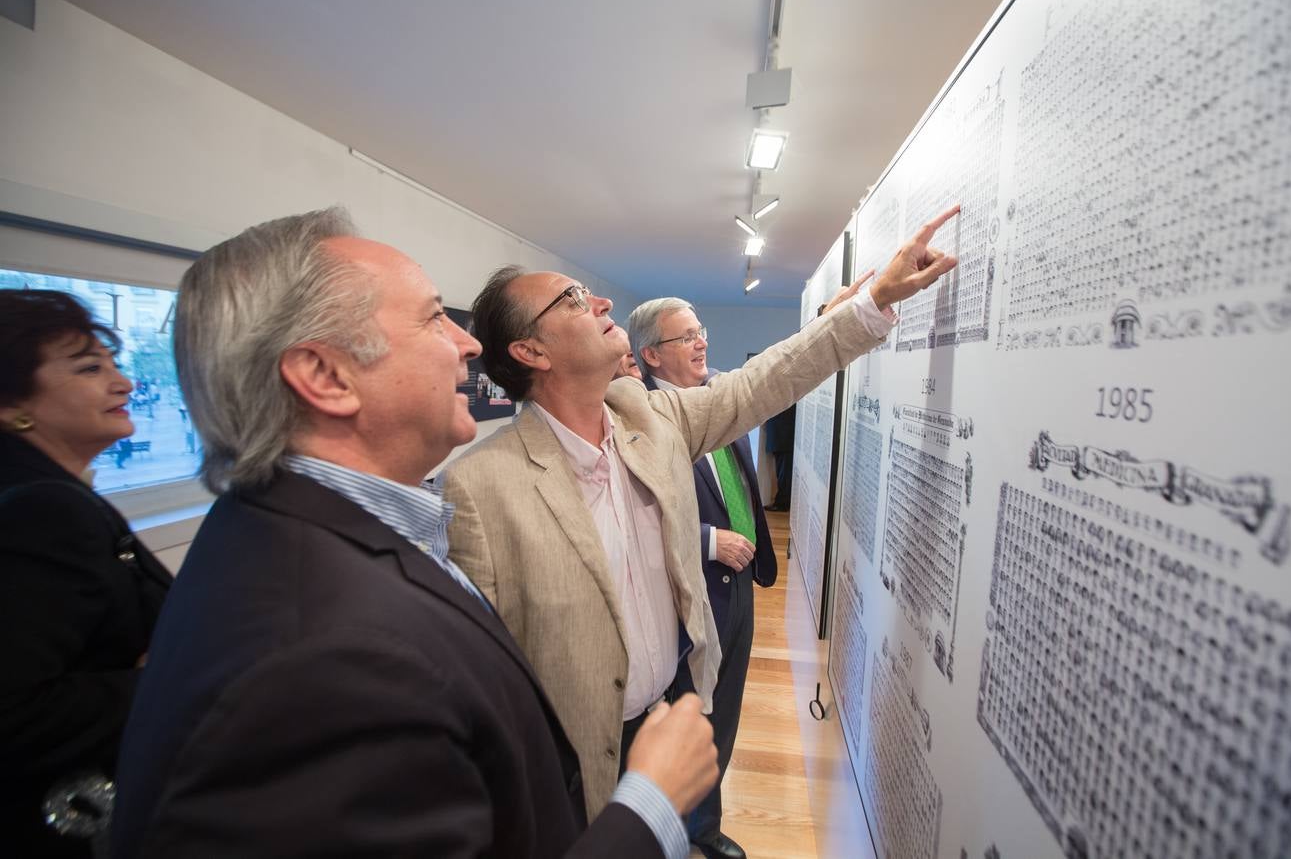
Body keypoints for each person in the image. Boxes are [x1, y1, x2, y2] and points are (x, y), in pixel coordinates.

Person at [110, 208, 718, 859]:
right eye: (433, 318)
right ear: (325, 376)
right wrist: (650, 802)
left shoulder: (292, 536)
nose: (469, 345)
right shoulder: (322, 650)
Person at [443, 204, 960, 834]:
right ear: (531, 351)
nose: (603, 302)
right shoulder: (478, 485)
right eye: (575, 299)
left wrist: (871, 302)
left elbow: (757, 384)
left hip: (679, 700)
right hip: (576, 750)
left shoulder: (649, 417)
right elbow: (479, 670)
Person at [0, 289, 173, 859]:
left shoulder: (56, 494)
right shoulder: (43, 511)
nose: (123, 383)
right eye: (90, 368)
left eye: (114, 364)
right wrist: (176, 668)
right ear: (9, 403)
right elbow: (15, 710)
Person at [626, 298, 775, 859]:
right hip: (692, 592)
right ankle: (680, 833)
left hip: (739, 589)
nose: (701, 344)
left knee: (727, 710)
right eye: (685, 337)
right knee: (693, 715)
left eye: (700, 331)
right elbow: (638, 515)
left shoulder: (716, 403)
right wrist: (712, 541)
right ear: (651, 357)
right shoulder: (639, 424)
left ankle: (703, 829)